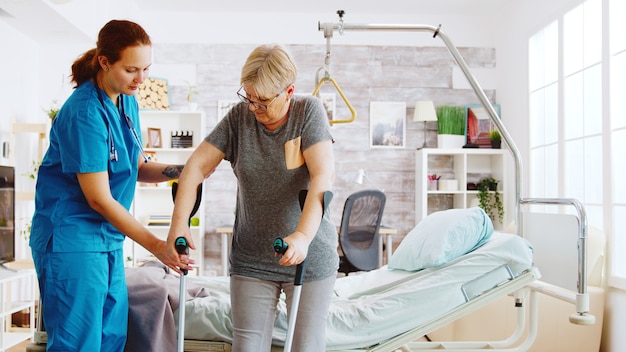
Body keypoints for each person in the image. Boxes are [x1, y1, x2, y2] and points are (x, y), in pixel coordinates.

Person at [167, 44, 338, 351]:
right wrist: (179, 224)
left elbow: (323, 178)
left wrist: (301, 236)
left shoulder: (307, 112)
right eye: (249, 98)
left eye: (263, 102)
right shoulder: (238, 119)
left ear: (288, 91)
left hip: (308, 258)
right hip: (251, 259)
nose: (253, 108)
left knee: (306, 346)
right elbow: (194, 168)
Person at [30, 19, 188, 352]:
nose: (141, 79)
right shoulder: (83, 112)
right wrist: (157, 246)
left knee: (111, 337)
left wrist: (180, 171)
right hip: (72, 239)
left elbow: (136, 166)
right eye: (132, 69)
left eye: (146, 69)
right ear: (105, 62)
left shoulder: (126, 100)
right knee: (79, 343)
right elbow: (99, 199)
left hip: (107, 240)